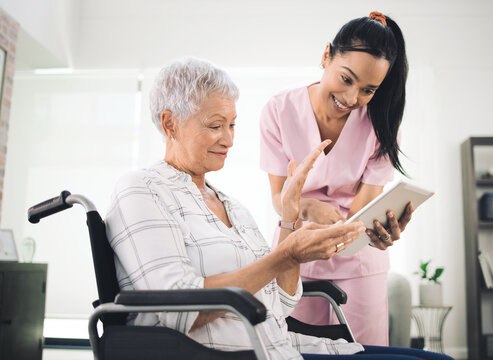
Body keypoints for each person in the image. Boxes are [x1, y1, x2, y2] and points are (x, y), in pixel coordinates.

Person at [105, 57, 452, 360]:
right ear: (170, 124)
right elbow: (182, 309)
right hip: (231, 352)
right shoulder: (142, 190)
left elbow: (281, 304)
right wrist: (285, 256)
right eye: (215, 126)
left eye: (232, 124)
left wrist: (288, 218)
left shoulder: (232, 206)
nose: (229, 139)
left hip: (282, 345)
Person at [259, 12, 413, 346]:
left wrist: (379, 230)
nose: (352, 98)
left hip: (358, 254)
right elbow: (278, 198)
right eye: (346, 79)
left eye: (368, 90)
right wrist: (310, 208)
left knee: (365, 350)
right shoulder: (279, 110)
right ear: (326, 55)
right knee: (297, 348)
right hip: (297, 249)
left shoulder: (382, 126)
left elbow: (363, 209)